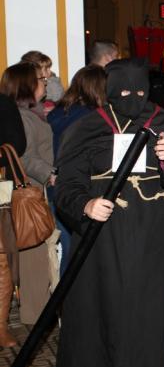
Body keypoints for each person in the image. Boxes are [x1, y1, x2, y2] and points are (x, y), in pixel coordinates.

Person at [54, 57, 164, 367]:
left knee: (146, 320)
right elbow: (67, 186)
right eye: (124, 90)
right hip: (101, 242)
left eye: (139, 90)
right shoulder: (88, 128)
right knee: (100, 316)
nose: (132, 97)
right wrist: (85, 204)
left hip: (153, 240)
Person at [0, 62, 57, 325]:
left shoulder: (33, 112)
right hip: (29, 191)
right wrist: (50, 173)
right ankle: (35, 318)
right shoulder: (21, 116)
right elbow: (23, 155)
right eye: (38, 78)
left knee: (34, 255)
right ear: (25, 85)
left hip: (34, 189)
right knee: (32, 256)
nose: (43, 81)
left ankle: (36, 312)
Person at [47, 65, 107, 276]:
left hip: (56, 190)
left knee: (68, 249)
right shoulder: (90, 120)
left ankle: (63, 303)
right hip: (78, 189)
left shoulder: (57, 113)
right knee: (79, 253)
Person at [0, 90, 25, 347]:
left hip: (0, 195)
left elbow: (17, 144)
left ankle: (1, 326)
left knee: (2, 264)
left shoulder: (3, 103)